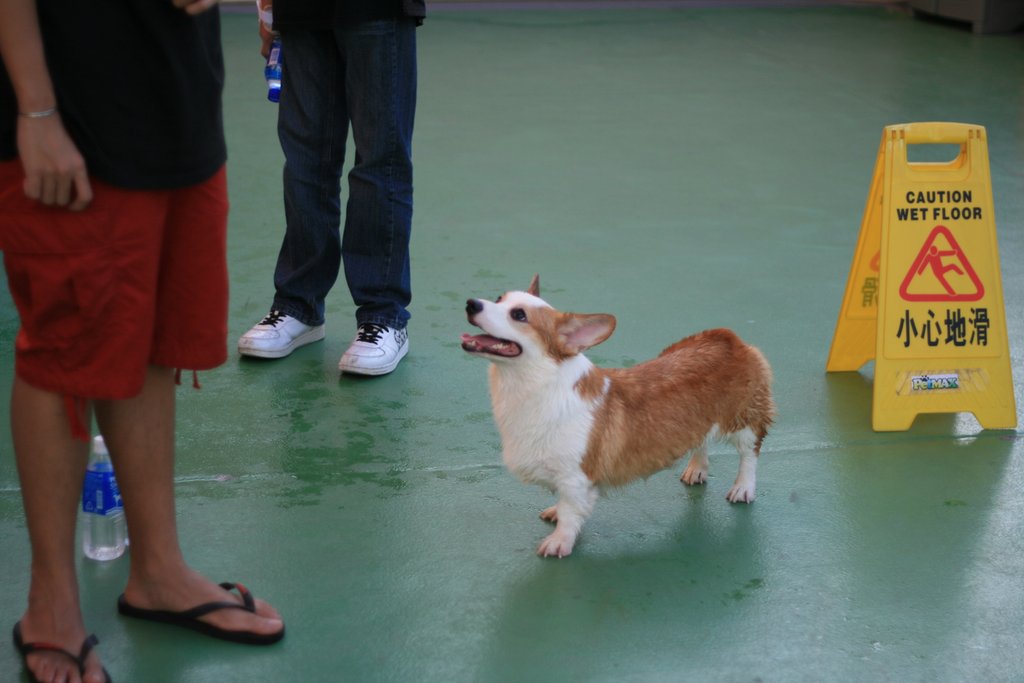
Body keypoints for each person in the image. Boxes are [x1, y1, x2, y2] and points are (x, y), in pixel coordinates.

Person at [0, 1, 285, 681]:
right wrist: (35, 110)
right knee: (64, 353)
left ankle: (158, 570)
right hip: (69, 111)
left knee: (157, 337)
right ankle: (50, 604)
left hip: (176, 103)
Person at [238, 0, 425, 376]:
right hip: (300, 9)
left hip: (376, 8)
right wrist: (266, 10)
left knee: (380, 160)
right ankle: (298, 306)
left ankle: (383, 315)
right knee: (305, 162)